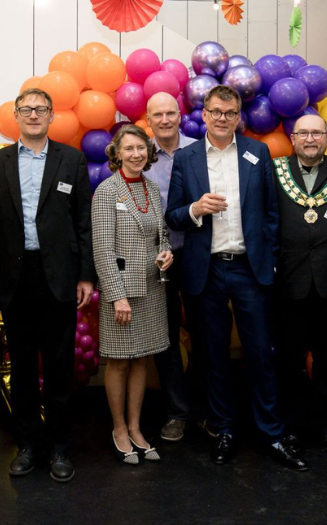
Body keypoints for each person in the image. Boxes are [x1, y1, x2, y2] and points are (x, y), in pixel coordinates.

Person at [166, 85, 304, 470]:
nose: (223, 118)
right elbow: (173, 215)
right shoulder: (186, 158)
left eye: (230, 112)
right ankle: (224, 429)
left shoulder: (256, 152)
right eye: (216, 112)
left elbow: (272, 213)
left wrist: (271, 260)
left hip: (249, 268)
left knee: (261, 354)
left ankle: (272, 433)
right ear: (204, 115)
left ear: (238, 116)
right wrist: (195, 208)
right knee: (213, 356)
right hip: (205, 270)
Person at [0, 88, 95, 483]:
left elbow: (83, 222)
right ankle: (27, 446)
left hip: (59, 277)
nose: (32, 115)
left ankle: (61, 447)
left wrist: (85, 275)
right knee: (22, 368)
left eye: (40, 109)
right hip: (14, 279)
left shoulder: (72, 159)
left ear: (51, 116)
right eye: (26, 109)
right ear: (15, 115)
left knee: (61, 368)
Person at [272, 115, 327, 457]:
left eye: (317, 133)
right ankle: (292, 427)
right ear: (293, 138)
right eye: (304, 133)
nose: (310, 139)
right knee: (289, 361)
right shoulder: (275, 171)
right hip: (288, 282)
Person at [92, 124, 173, 464]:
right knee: (119, 361)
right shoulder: (107, 192)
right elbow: (102, 249)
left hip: (152, 288)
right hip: (122, 293)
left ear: (149, 152)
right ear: (117, 154)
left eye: (142, 148)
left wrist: (167, 252)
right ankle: (119, 429)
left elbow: (162, 234)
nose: (136, 154)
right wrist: (116, 295)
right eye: (129, 149)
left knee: (142, 358)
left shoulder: (152, 189)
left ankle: (137, 427)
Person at [144, 92, 201, 442]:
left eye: (170, 113)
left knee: (205, 334)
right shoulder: (139, 154)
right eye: (157, 115)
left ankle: (206, 408)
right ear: (147, 120)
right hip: (155, 260)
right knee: (164, 340)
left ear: (179, 116)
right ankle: (178, 412)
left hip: (196, 255)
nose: (164, 120)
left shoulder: (199, 149)